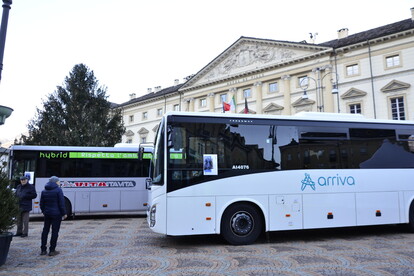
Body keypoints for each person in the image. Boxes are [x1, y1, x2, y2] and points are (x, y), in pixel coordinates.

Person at [40, 176, 67, 256]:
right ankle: (52, 250)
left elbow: (42, 204)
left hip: (47, 214)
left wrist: (44, 211)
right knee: (55, 232)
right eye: (58, 181)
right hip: (56, 214)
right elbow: (61, 203)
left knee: (45, 231)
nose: (59, 182)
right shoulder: (58, 190)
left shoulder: (44, 190)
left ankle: (43, 249)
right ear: (55, 182)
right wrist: (64, 213)